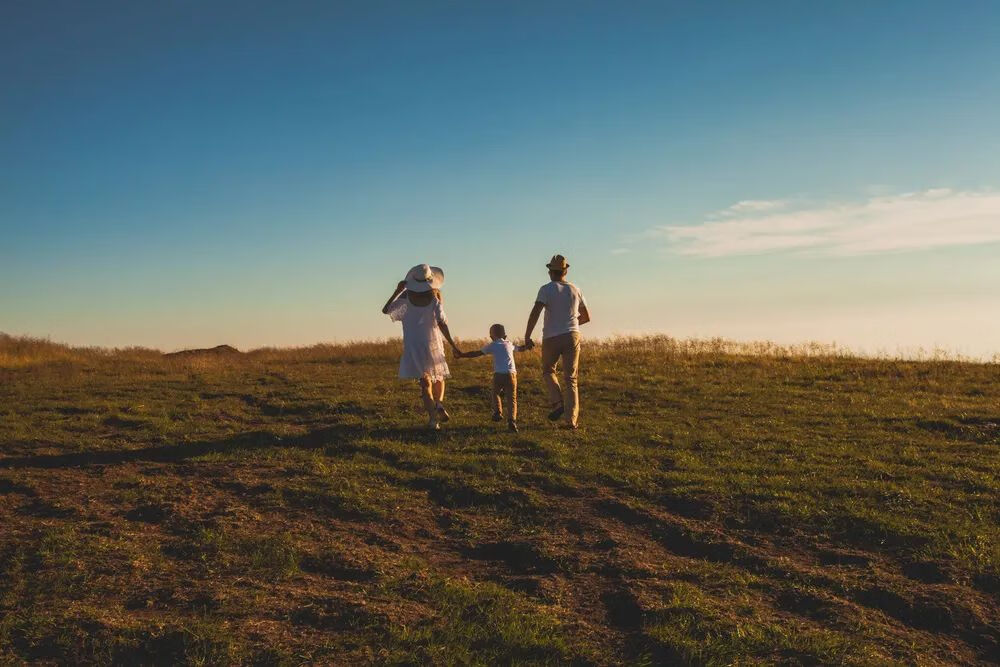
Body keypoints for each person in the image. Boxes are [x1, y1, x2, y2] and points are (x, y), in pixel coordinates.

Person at [382, 264, 461, 430]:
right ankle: (438, 404)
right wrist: (452, 345)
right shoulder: (435, 299)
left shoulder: (405, 297)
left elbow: (386, 310)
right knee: (439, 377)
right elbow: (442, 324)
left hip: (414, 344)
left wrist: (397, 291)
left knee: (425, 383)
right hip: (433, 344)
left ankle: (433, 420)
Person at [523, 254, 591, 429]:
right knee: (571, 379)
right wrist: (572, 323)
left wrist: (527, 335)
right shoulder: (576, 289)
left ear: (550, 272)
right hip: (572, 335)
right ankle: (571, 420)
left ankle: (557, 403)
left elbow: (535, 312)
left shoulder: (546, 289)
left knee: (548, 370)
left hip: (551, 336)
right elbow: (586, 317)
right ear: (565, 271)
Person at [455, 323, 527, 432]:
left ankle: (498, 412)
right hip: (512, 375)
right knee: (512, 398)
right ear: (505, 336)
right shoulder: (509, 343)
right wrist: (527, 346)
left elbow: (476, 353)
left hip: (498, 375)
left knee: (495, 393)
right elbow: (521, 348)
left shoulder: (493, 345)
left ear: (491, 337)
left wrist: (462, 355)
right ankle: (512, 421)